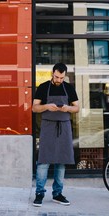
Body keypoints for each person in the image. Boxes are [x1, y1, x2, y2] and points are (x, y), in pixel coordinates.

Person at [32, 63, 79, 207]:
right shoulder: (43, 87)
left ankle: (57, 194)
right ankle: (39, 193)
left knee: (61, 161)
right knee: (43, 161)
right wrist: (46, 106)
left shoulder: (69, 88)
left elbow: (77, 108)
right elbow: (34, 108)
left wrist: (67, 108)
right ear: (52, 73)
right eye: (57, 77)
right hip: (47, 127)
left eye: (62, 77)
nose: (59, 80)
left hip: (64, 128)